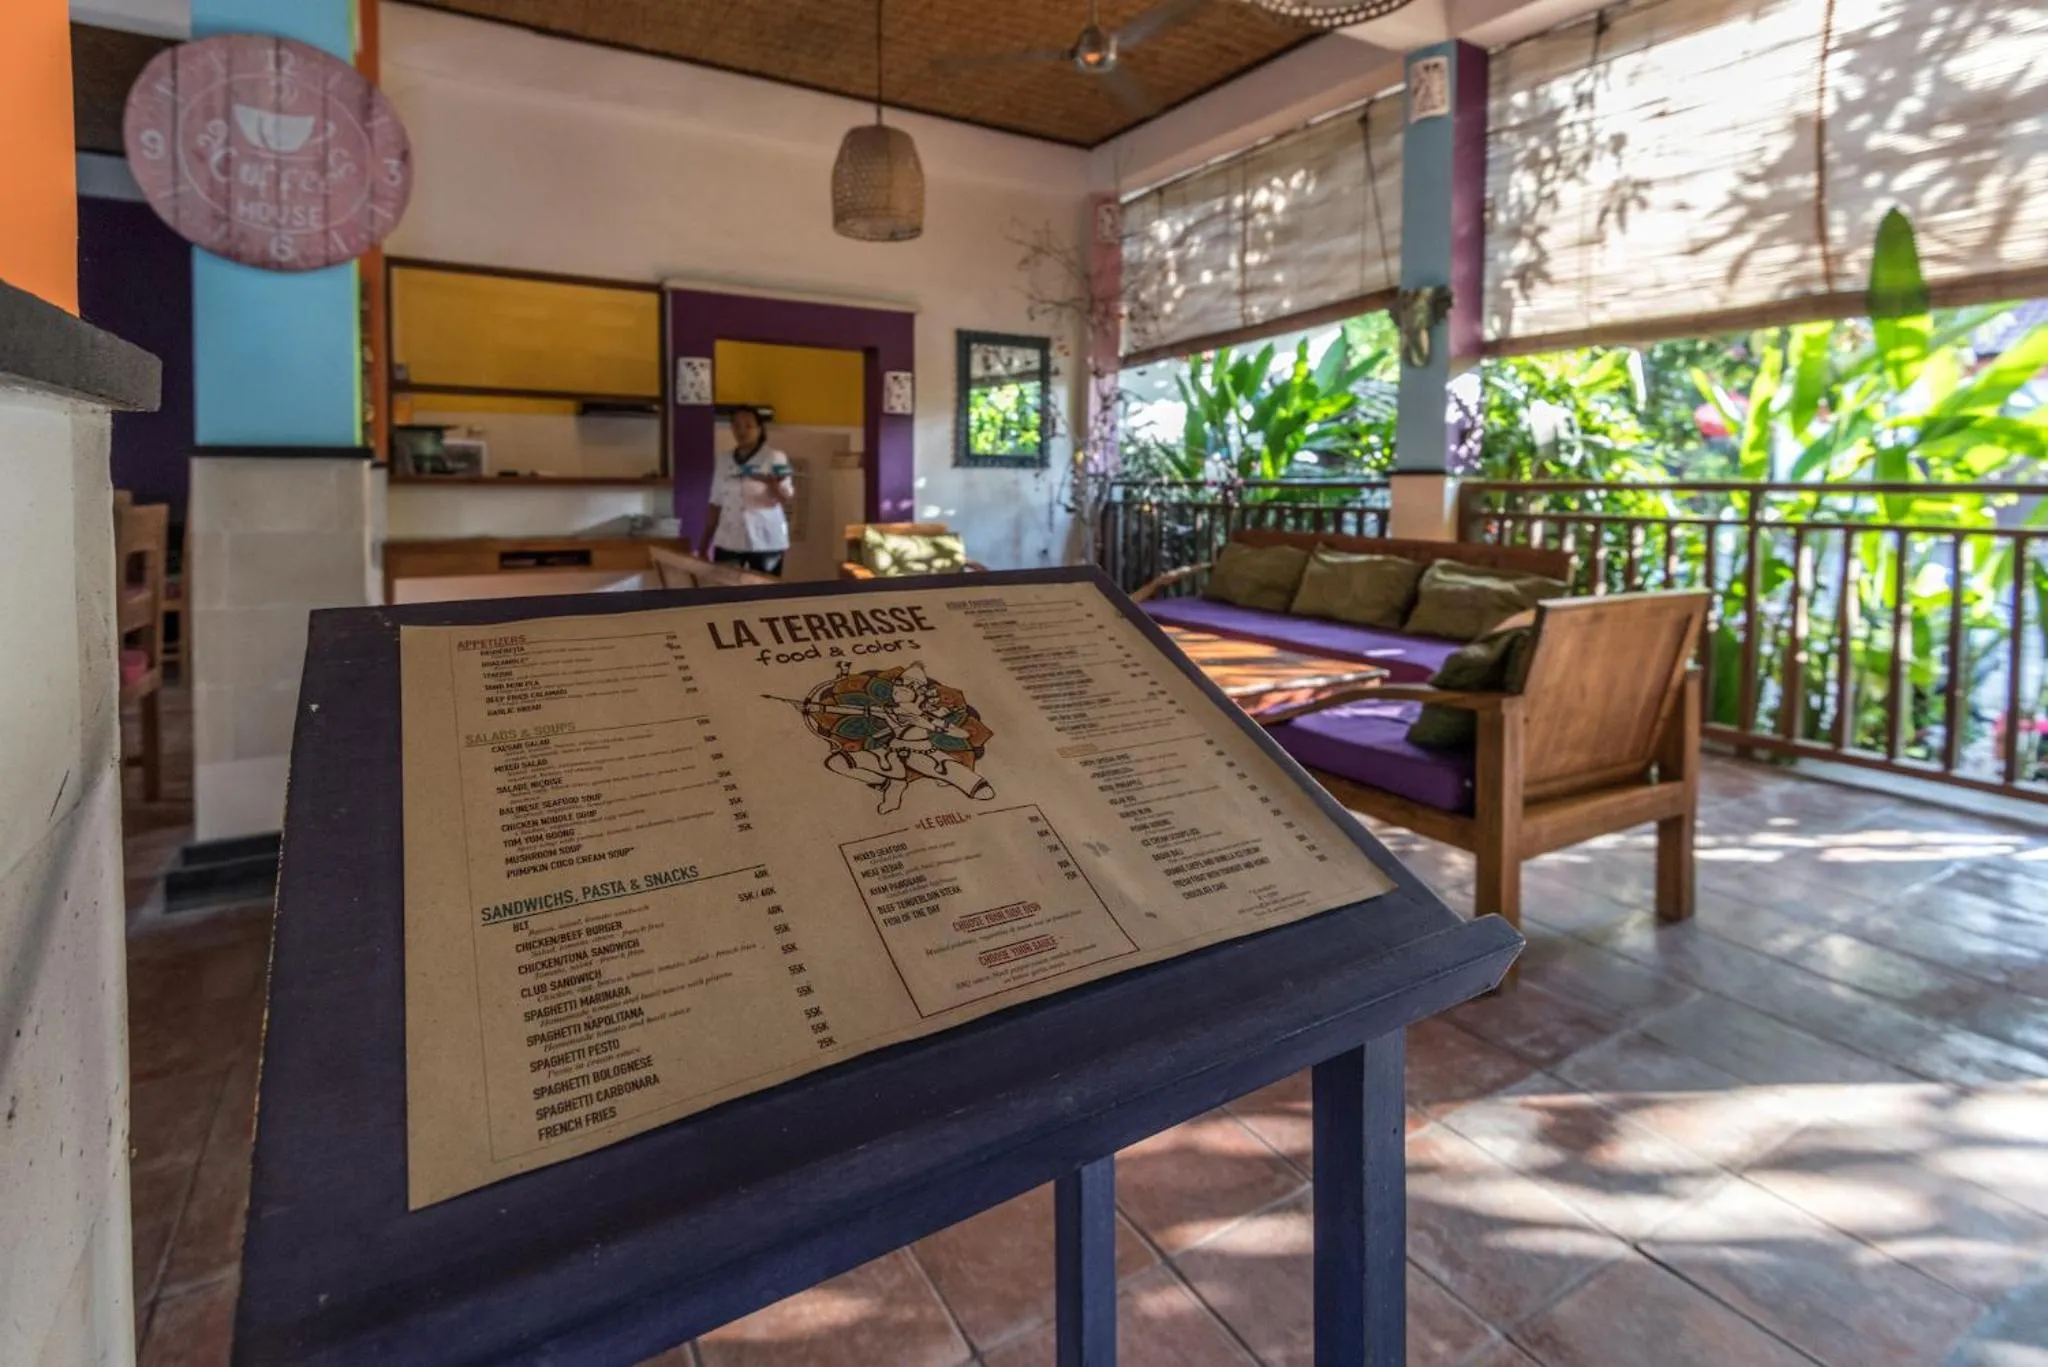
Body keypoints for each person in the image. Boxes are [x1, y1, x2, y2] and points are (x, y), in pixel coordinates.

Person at [703, 406, 795, 576]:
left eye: (748, 425)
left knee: (763, 594)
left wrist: (770, 483)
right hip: (728, 538)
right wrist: (704, 544)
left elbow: (785, 497)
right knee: (723, 591)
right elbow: (715, 503)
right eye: (736, 426)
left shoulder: (775, 457)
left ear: (760, 429)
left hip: (766, 541)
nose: (742, 431)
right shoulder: (723, 460)